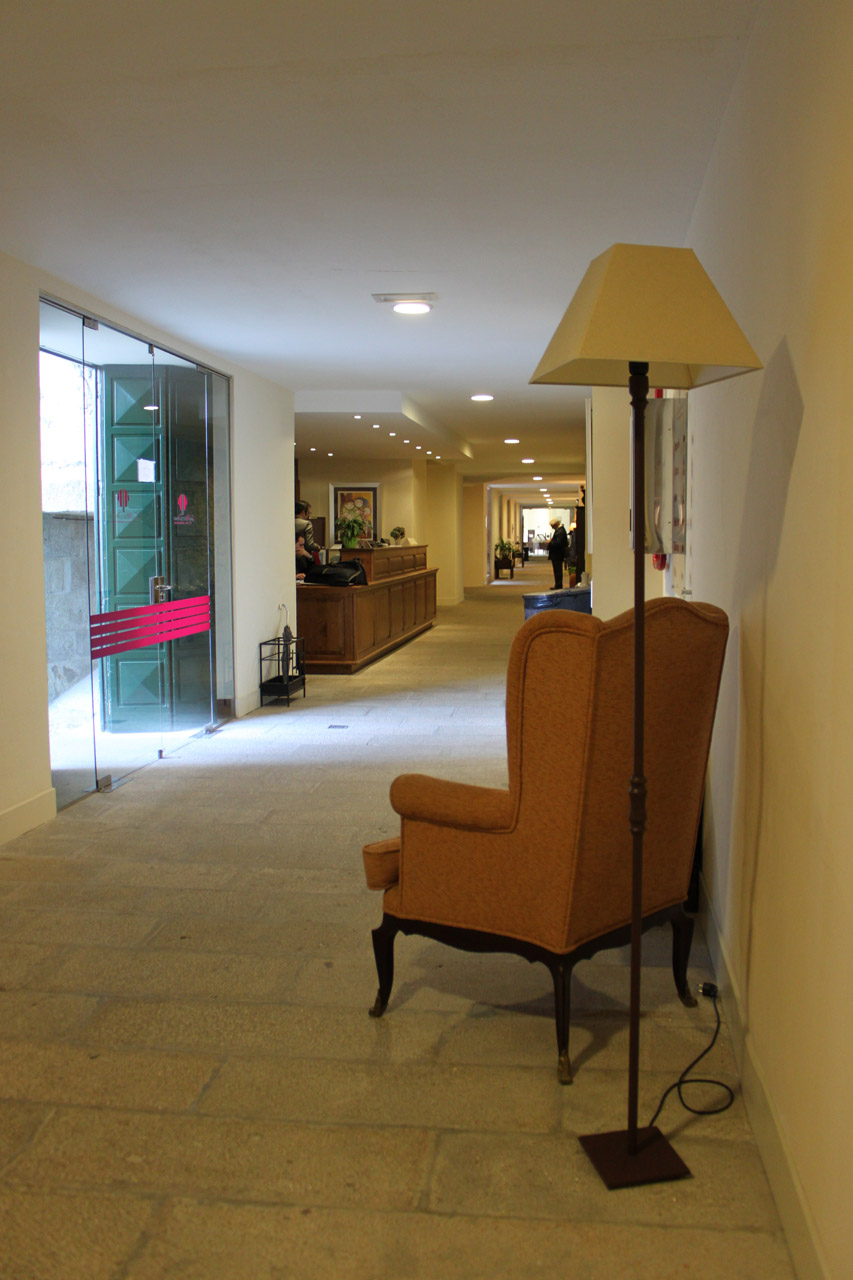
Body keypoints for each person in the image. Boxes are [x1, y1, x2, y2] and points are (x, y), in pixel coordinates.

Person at [547, 516, 569, 590]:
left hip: (557, 554)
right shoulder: (560, 530)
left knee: (558, 570)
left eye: (552, 526)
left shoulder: (560, 532)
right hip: (557, 554)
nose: (552, 527)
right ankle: (557, 584)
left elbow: (558, 543)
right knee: (557, 570)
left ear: (556, 524)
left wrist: (550, 542)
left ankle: (558, 585)